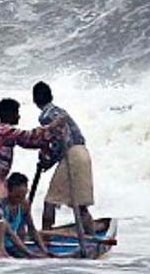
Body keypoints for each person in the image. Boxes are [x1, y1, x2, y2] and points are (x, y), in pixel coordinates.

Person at [32, 81, 95, 234]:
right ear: (51, 96)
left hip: (71, 155)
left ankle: (46, 237)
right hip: (82, 153)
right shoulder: (60, 111)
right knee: (79, 205)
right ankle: (92, 236)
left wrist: (47, 161)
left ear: (35, 100)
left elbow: (61, 142)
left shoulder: (46, 116)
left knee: (50, 201)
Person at [0, 98, 61, 202]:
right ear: (8, 114)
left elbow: (28, 143)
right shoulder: (6, 130)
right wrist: (52, 126)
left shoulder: (2, 130)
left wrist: (44, 144)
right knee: (0, 208)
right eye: (16, 113)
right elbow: (30, 136)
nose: (19, 116)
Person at [0, 172, 49, 258]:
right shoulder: (1, 205)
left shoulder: (24, 204)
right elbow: (10, 234)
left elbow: (32, 229)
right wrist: (29, 253)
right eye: (17, 196)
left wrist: (44, 249)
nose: (21, 199)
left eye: (24, 195)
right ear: (9, 191)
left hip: (12, 244)